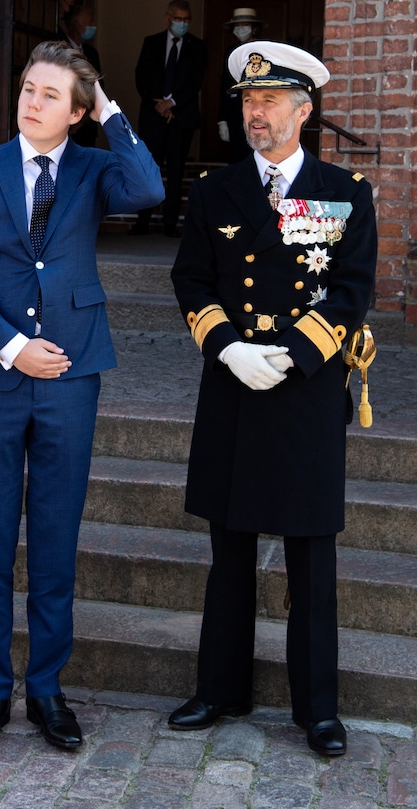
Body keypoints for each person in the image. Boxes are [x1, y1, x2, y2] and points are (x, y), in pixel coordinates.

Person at [0, 40, 164, 754]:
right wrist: (9, 345)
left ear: (76, 111)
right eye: (28, 88)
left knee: (57, 539)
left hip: (72, 370)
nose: (32, 101)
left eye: (49, 94)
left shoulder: (98, 168)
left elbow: (151, 189)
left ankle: (47, 690)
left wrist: (113, 113)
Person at [168, 42, 378, 757]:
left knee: (311, 558)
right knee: (228, 546)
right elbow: (192, 278)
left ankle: (317, 708)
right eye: (248, 103)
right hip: (232, 384)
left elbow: (352, 289)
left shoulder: (342, 189)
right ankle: (220, 687)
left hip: (306, 393)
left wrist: (292, 352)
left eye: (269, 102)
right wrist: (228, 345)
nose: (255, 114)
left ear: (303, 110)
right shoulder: (217, 190)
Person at [131, 0, 207, 236]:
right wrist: (159, 104)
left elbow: (195, 81)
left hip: (180, 117)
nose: (182, 23)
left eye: (186, 19)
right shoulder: (151, 42)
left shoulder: (197, 46)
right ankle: (142, 221)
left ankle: (170, 224)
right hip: (153, 116)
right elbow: (141, 76)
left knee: (176, 171)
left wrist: (172, 103)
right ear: (168, 18)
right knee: (148, 169)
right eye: (178, 18)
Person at [217, 8, 264, 163]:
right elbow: (224, 85)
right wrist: (222, 119)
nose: (240, 29)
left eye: (245, 25)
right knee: (236, 160)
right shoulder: (231, 52)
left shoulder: (263, 51)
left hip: (258, 111)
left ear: (254, 28)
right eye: (237, 26)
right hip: (234, 113)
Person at [64, 5, 101, 147]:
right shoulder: (59, 47)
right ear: (77, 24)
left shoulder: (92, 53)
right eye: (90, 22)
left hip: (87, 125)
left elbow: (99, 85)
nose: (94, 26)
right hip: (65, 120)